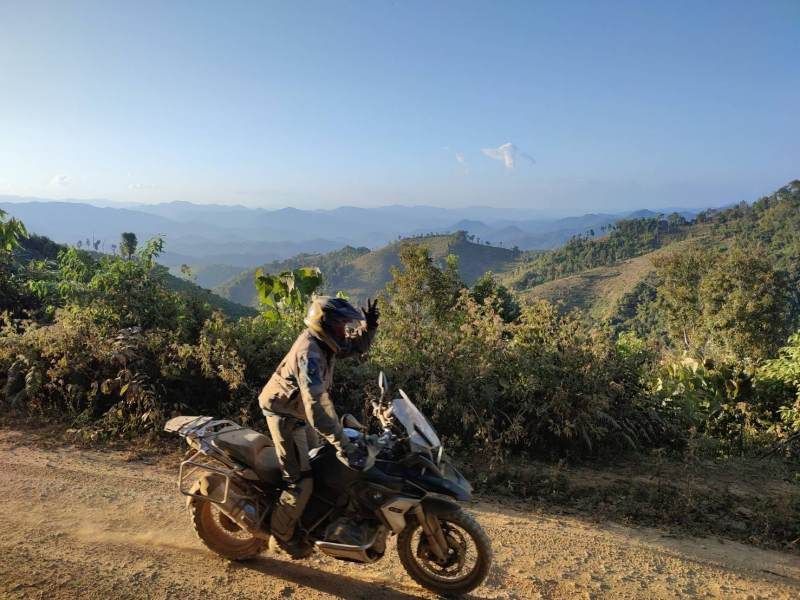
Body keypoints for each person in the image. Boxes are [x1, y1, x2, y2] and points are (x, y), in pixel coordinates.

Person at [258, 296, 379, 557]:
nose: (344, 331)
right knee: (300, 481)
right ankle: (281, 537)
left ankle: (310, 521)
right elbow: (317, 408)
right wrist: (343, 446)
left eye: (346, 325)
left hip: (300, 412)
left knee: (322, 469)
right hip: (284, 414)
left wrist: (369, 328)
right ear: (324, 324)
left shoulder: (326, 343)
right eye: (340, 326)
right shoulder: (309, 354)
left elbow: (353, 347)